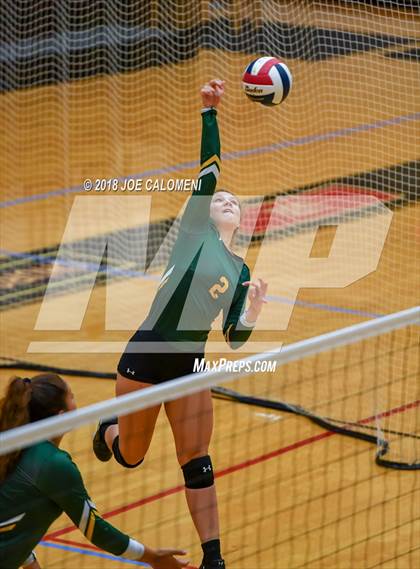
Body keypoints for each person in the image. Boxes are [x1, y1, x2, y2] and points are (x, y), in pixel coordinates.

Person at [93, 79, 268, 569]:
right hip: (149, 351)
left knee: (197, 459)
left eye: (234, 201)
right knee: (132, 456)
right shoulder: (193, 232)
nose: (227, 200)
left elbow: (234, 339)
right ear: (206, 211)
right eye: (220, 199)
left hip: (192, 363)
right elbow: (209, 172)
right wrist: (209, 113)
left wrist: (252, 310)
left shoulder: (241, 270)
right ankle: (108, 431)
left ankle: (214, 557)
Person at [0, 374, 188, 569]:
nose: (76, 399)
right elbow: (95, 530)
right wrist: (153, 557)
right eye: (71, 396)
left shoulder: (15, 445)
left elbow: (10, 515)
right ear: (62, 415)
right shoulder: (54, 465)